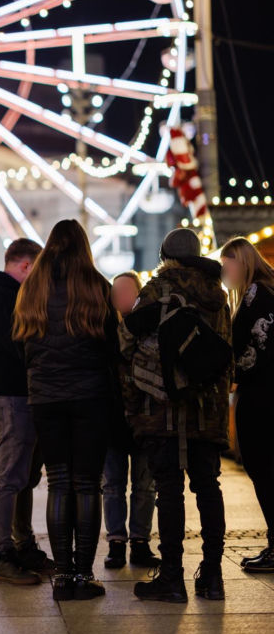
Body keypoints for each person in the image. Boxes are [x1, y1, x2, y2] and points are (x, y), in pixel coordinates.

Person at [120, 228, 231, 603]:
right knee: (208, 488)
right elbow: (225, 356)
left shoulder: (155, 292)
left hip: (162, 409)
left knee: (169, 491)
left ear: (166, 256)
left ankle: (172, 578)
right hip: (206, 411)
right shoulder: (219, 297)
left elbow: (126, 344)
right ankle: (213, 577)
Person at [13, 220, 118, 601]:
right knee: (87, 484)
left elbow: (22, 345)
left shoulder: (31, 289)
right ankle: (83, 574)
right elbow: (112, 347)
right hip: (90, 395)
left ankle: (61, 577)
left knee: (58, 482)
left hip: (46, 398)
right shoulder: (96, 285)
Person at [0, 237, 53, 587]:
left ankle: (23, 545)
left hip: (24, 395)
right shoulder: (1, 298)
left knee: (25, 476)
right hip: (11, 397)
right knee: (11, 477)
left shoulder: (12, 296)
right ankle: (3, 555)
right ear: (25, 266)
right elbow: (17, 347)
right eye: (37, 271)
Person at [220, 236, 274, 572]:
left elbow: (257, 350)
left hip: (262, 397)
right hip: (260, 395)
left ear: (243, 263)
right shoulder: (262, 293)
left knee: (264, 470)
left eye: (228, 266)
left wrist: (230, 371)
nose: (225, 273)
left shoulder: (259, 297)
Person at [101, 271, 159, 570]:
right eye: (116, 291)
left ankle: (139, 541)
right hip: (113, 419)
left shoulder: (148, 326)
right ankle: (115, 542)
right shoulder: (104, 330)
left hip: (144, 418)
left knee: (144, 485)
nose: (121, 296)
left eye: (127, 290)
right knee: (112, 485)